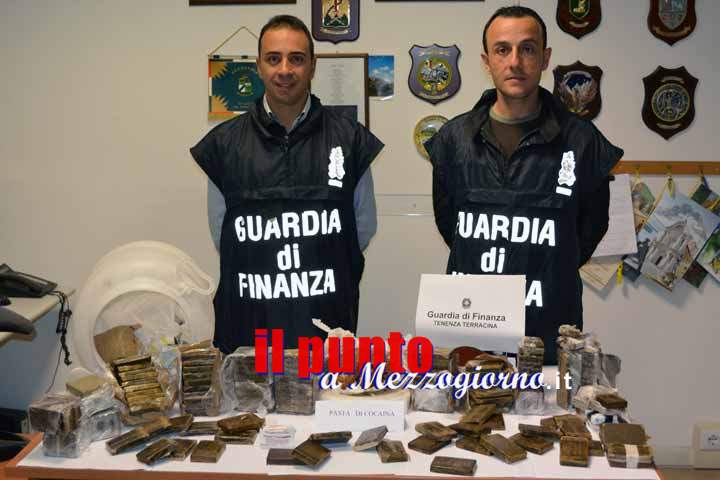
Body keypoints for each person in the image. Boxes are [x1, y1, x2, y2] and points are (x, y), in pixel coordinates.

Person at [427, 5, 623, 364]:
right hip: (471, 323)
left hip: (550, 326)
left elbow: (590, 230)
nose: (515, 62)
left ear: (545, 58)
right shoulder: (453, 139)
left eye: (527, 49)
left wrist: (547, 267)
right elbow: (450, 226)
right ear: (487, 61)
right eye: (502, 49)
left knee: (548, 401)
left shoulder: (582, 141)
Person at [191, 15, 383, 353]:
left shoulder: (349, 140)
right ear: (258, 66)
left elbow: (362, 227)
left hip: (325, 323)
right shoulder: (225, 144)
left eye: (296, 58)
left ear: (312, 66)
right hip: (250, 327)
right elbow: (222, 233)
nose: (284, 70)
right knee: (248, 390)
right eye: (273, 58)